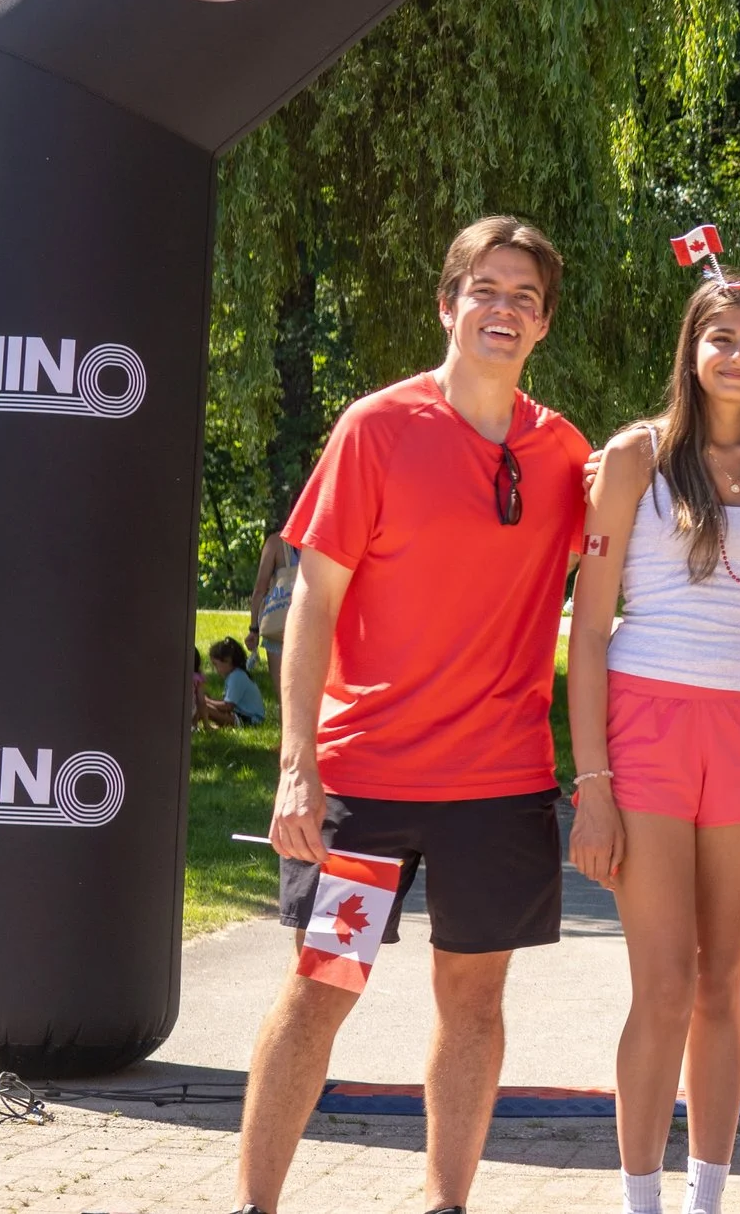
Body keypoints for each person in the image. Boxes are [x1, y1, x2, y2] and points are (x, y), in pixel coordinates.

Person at [233, 216, 590, 1214]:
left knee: (473, 1003)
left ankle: (446, 1203)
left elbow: (630, 573)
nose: (505, 309)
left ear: (542, 326)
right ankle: (254, 1203)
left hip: (500, 788)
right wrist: (295, 765)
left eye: (525, 297)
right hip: (367, 785)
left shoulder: (565, 452)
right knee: (324, 986)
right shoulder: (378, 427)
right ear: (447, 303)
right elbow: (313, 599)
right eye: (487, 288)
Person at [567, 270, 740, 1214]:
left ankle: (709, 1197)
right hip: (646, 724)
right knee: (664, 987)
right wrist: (592, 784)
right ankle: (642, 1200)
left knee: (722, 988)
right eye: (724, 339)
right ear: (692, 347)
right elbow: (588, 630)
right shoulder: (636, 456)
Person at [248, 528, 300, 668]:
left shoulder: (276, 543)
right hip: (312, 626)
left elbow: (260, 589)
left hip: (278, 625)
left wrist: (254, 629)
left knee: (283, 688)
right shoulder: (324, 542)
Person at [211, 637, 266, 727]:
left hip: (249, 720)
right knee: (205, 703)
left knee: (205, 707)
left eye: (215, 664)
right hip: (241, 715)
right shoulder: (235, 675)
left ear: (228, 660)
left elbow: (228, 706)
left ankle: (200, 726)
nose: (214, 669)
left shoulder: (236, 676)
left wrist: (207, 701)